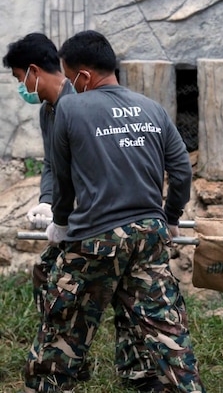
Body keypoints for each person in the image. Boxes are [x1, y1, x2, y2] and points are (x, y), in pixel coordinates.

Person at [23, 30, 205, 392]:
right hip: (150, 235)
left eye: (69, 75)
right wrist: (168, 218)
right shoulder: (152, 108)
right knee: (164, 326)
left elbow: (63, 179)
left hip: (96, 238)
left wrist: (59, 223)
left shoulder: (71, 108)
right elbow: (181, 170)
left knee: (64, 324)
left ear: (83, 76)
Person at [3, 33, 76, 316]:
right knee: (46, 275)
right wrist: (47, 200)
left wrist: (64, 214)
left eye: (20, 78)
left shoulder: (81, 103)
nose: (22, 87)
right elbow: (51, 163)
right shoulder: (48, 111)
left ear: (34, 71)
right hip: (68, 213)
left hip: (92, 214)